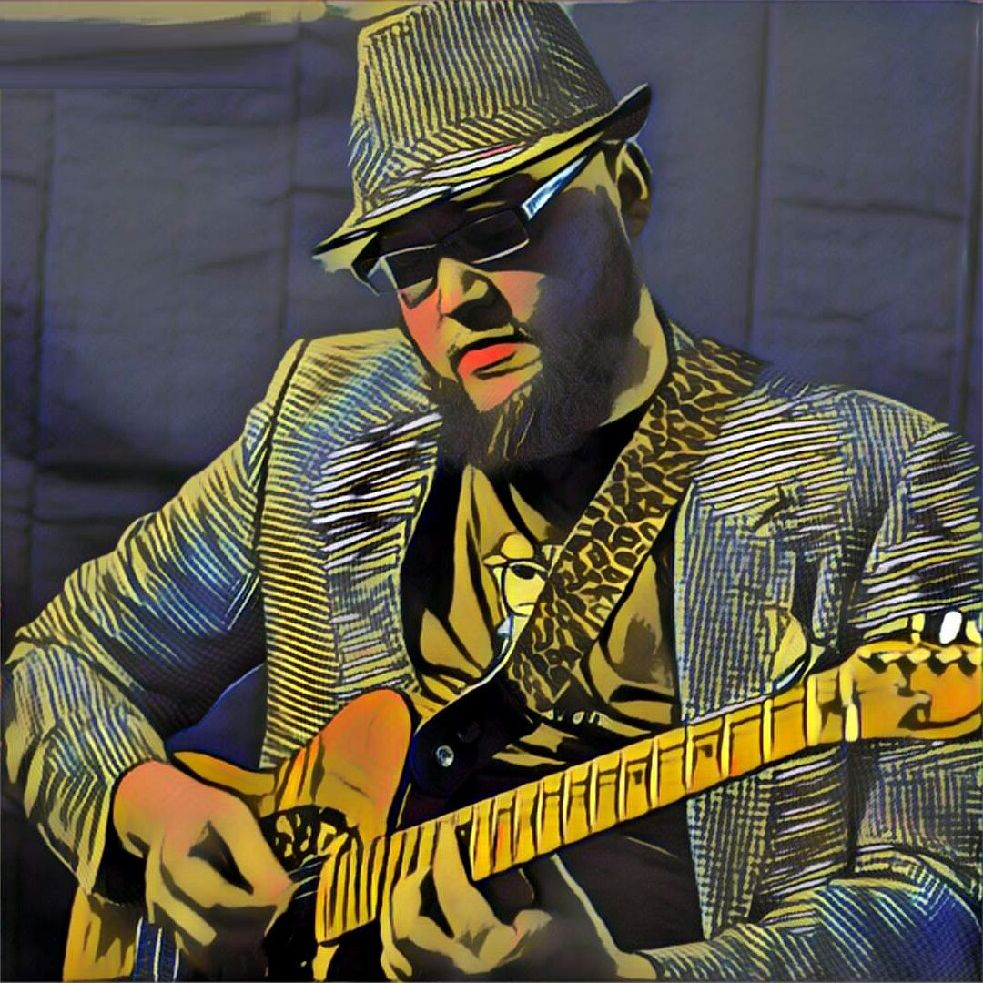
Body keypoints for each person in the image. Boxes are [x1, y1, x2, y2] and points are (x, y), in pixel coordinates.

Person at [3, 1, 980, 980]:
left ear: (626, 188)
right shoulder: (324, 421)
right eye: (409, 261)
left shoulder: (878, 475)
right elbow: (61, 661)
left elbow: (940, 906)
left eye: (497, 224)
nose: (456, 297)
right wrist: (145, 806)